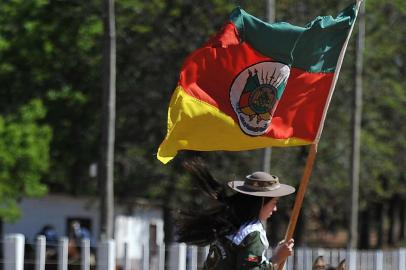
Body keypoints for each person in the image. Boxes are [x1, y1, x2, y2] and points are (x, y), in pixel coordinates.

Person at [176, 159, 296, 270]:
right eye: (274, 202)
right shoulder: (252, 233)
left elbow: (249, 260)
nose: (275, 209)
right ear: (261, 203)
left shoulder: (229, 227)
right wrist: (277, 259)